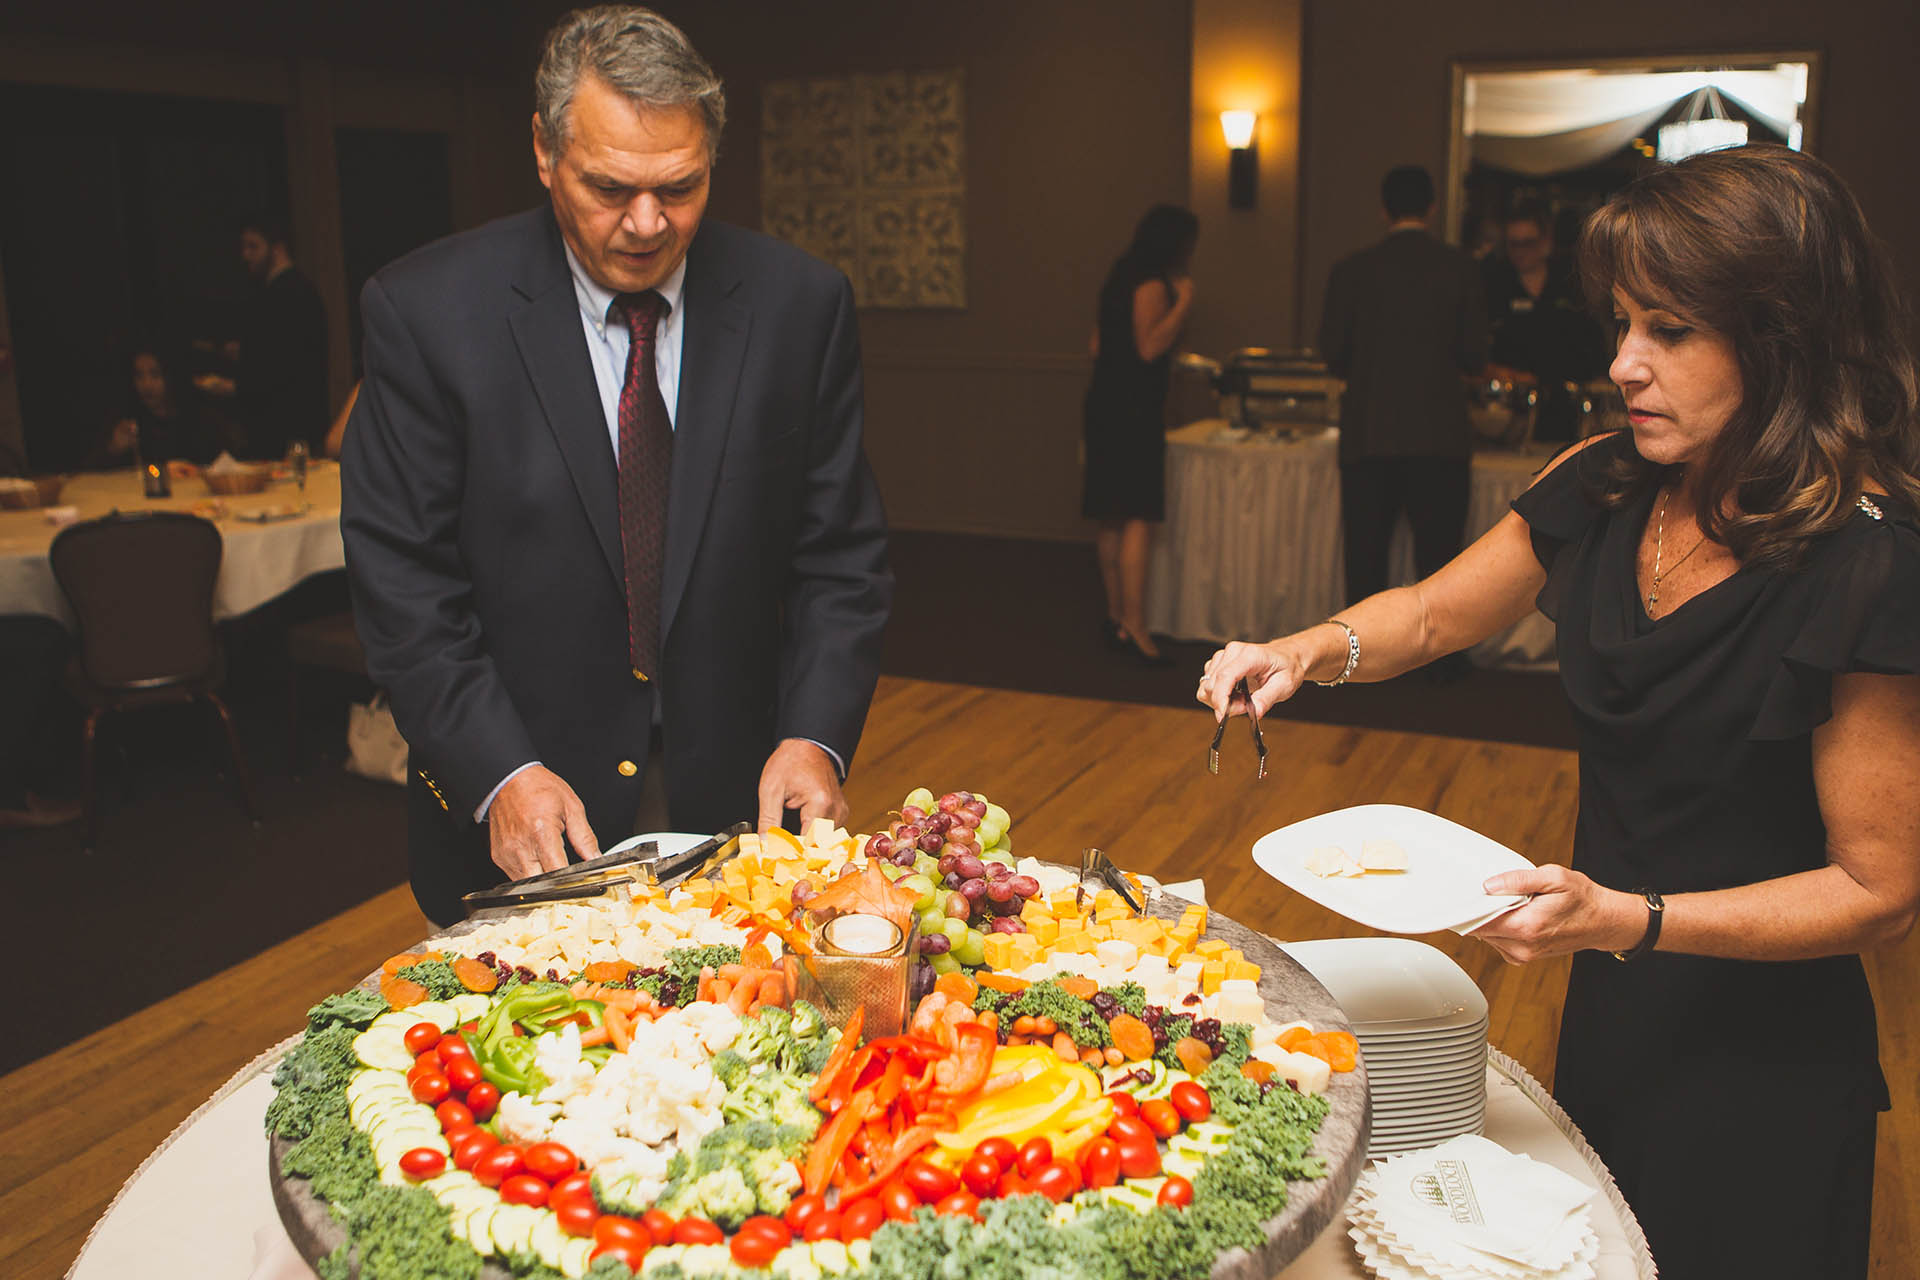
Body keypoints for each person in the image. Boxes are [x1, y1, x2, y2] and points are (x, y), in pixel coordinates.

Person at [1200, 146, 1920, 1279]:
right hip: (1617, 1004)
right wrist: (1300, 649)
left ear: (1781, 339)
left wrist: (1629, 916)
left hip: (1763, 1066)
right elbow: (1436, 615)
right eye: (1624, 322)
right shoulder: (1610, 481)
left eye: (1670, 331)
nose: (1626, 363)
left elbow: (1880, 890)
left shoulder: (1866, 561)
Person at [341, 5, 892, 927]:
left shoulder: (802, 306)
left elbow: (840, 558)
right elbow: (405, 588)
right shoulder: (425, 314)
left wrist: (816, 738)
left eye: (680, 187)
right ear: (544, 151)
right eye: (609, 188)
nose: (647, 224)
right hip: (522, 828)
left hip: (740, 831)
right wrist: (499, 773)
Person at [1318, 166, 1487, 645]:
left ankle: (1358, 659)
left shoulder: (1351, 270)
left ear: (1383, 209)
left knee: (1366, 560)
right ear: (1432, 208)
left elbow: (1332, 353)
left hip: (1369, 432)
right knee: (1441, 566)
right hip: (1439, 433)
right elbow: (1475, 355)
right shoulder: (1460, 269)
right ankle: (1441, 663)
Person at [1082, 203, 1197, 667]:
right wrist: (1185, 303)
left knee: (1110, 516)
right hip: (1133, 412)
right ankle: (1135, 625)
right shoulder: (1153, 283)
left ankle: (1115, 620)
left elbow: (1095, 344)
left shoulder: (1119, 276)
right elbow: (1149, 346)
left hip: (1104, 405)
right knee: (1136, 518)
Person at [199, 212, 329, 461]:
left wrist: (233, 386)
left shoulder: (285, 296)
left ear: (277, 248)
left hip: (284, 431)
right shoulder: (298, 291)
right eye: (244, 247)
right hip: (295, 428)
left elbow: (283, 366)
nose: (245, 255)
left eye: (253, 246)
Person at [1482, 202, 1609, 441]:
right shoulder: (1495, 285)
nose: (1520, 251)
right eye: (1513, 244)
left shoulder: (1571, 283)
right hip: (1512, 410)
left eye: (1528, 243)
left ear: (1545, 242)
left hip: (1567, 407)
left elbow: (1592, 336)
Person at [90, 346, 222, 470]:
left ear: (171, 376)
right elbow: (90, 472)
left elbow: (220, 466)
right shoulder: (127, 418)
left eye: (155, 374)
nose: (146, 385)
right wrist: (113, 449)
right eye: (139, 376)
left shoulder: (198, 417)